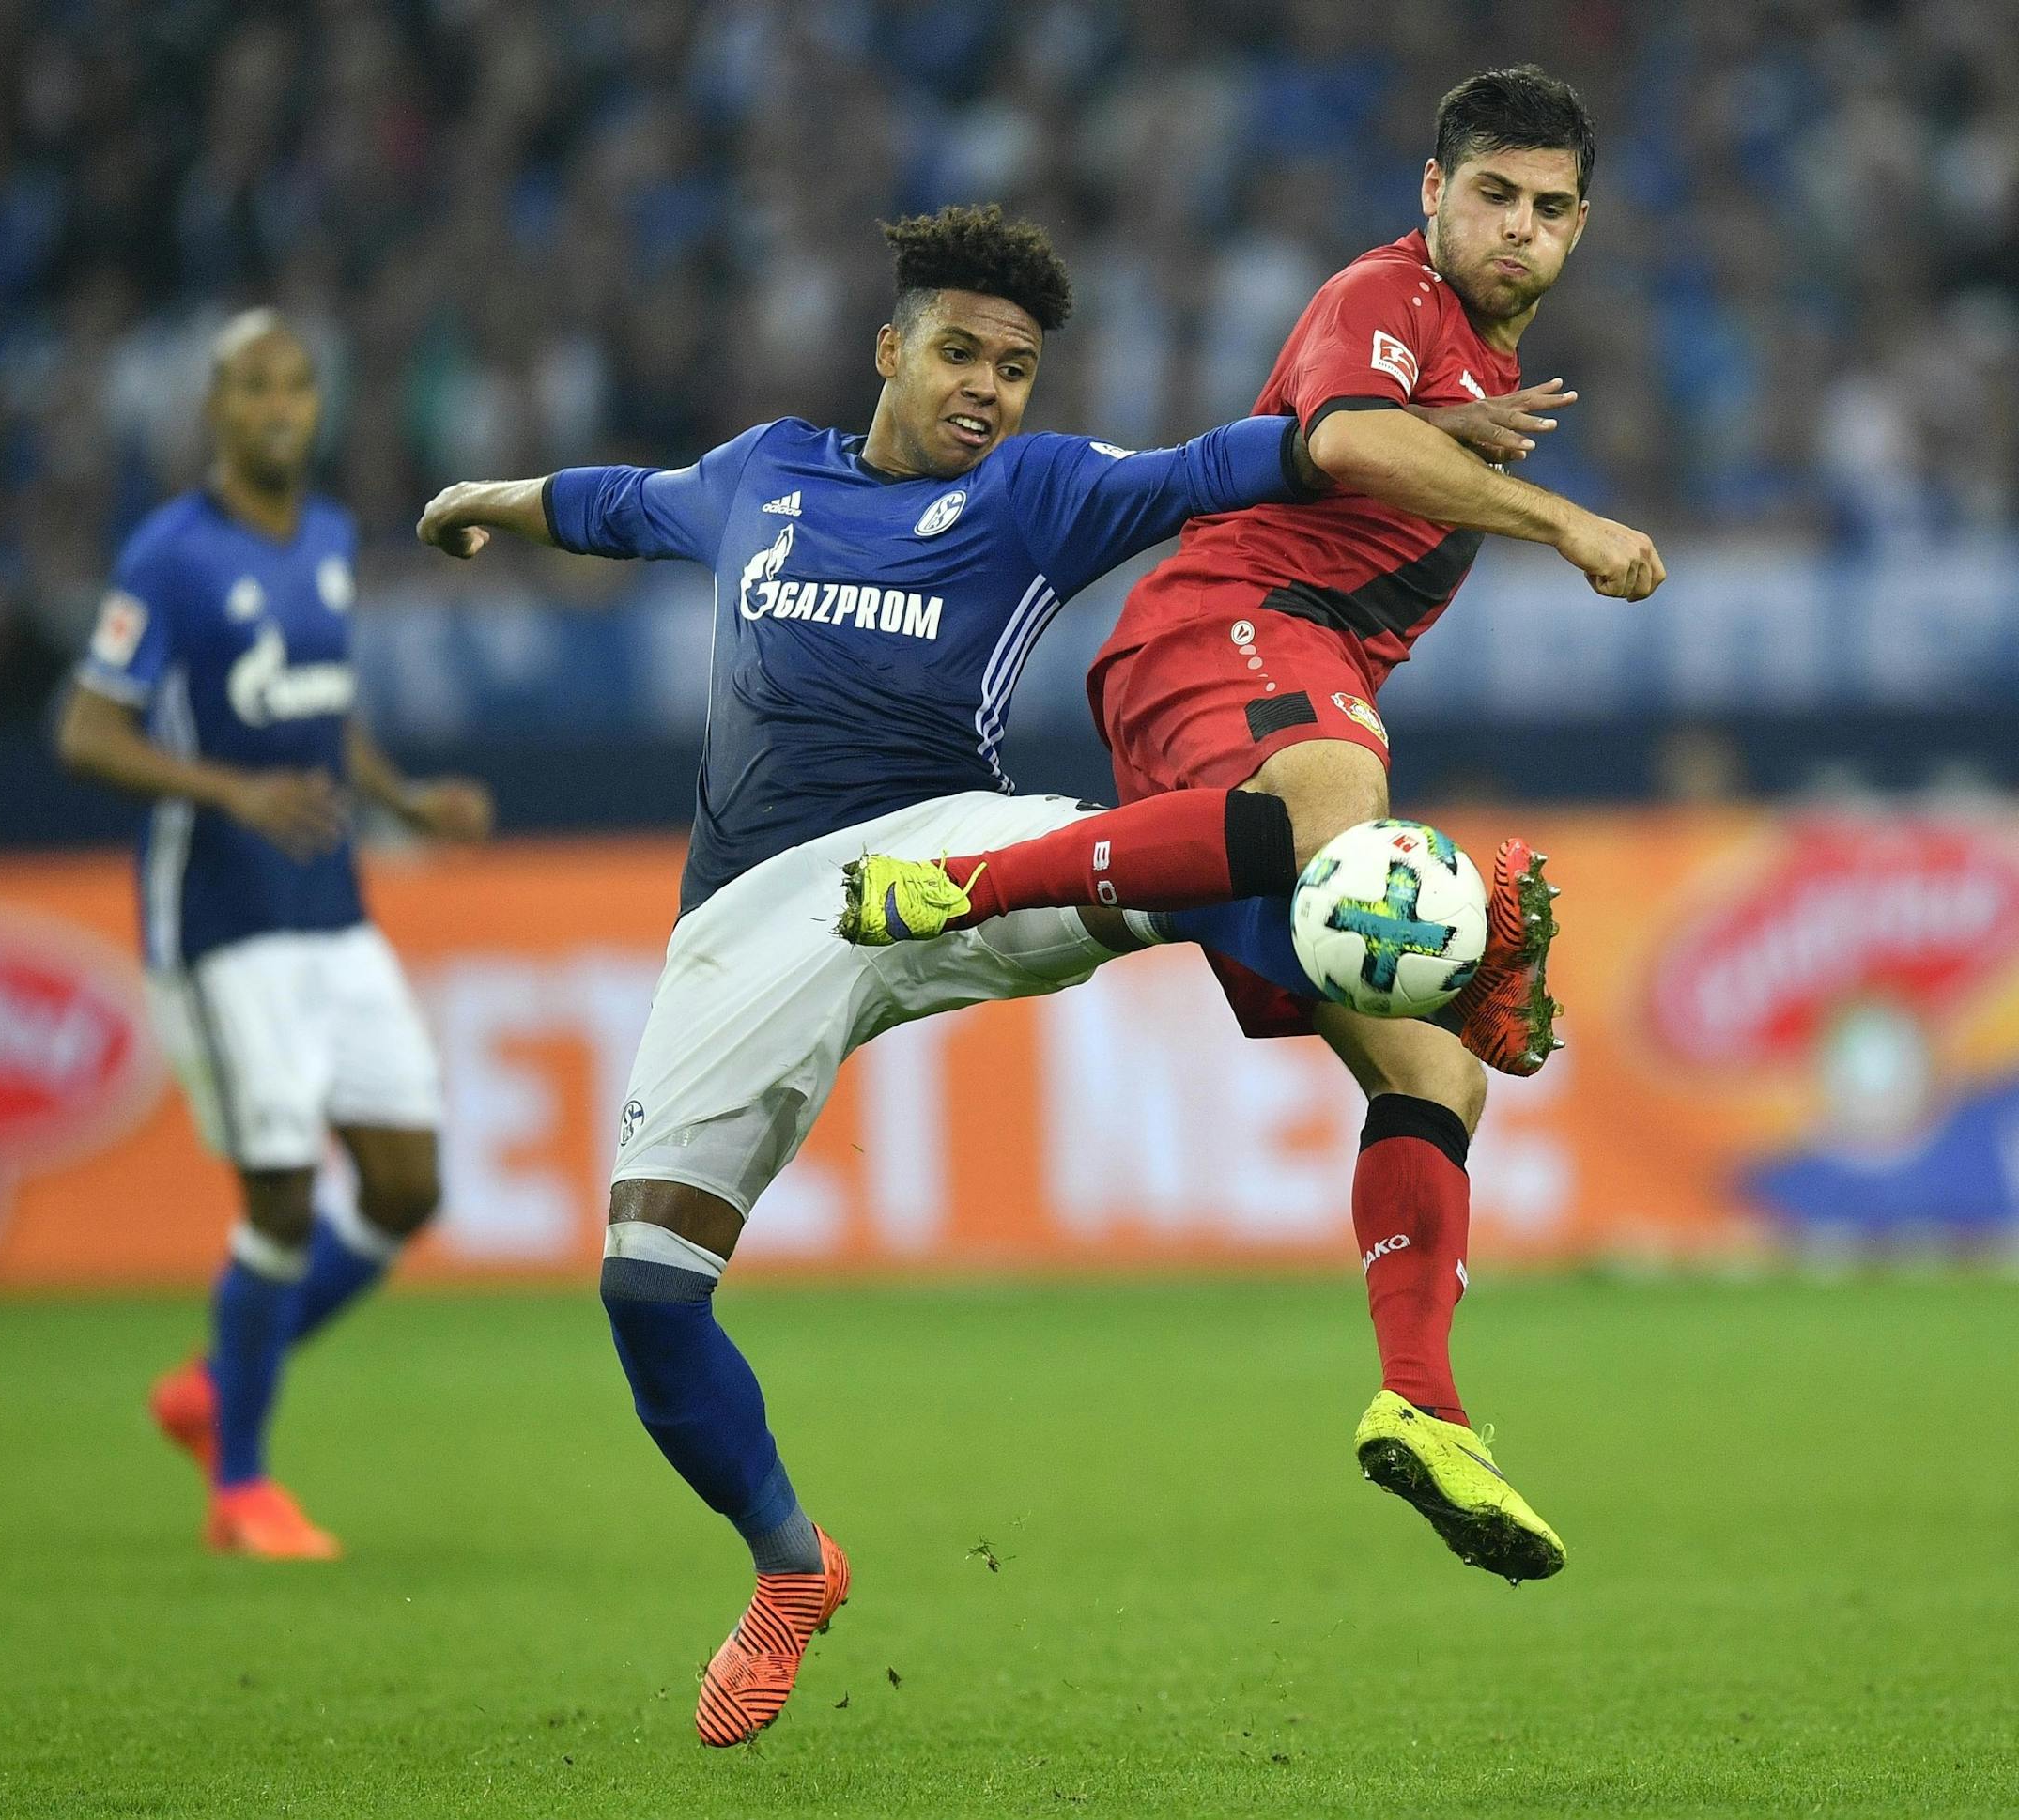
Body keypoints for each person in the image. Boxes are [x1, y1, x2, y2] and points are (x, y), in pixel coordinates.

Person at [415, 204, 1536, 1744]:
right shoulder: (761, 477)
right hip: (752, 923)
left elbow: (1236, 462)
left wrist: (1419, 434)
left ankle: (1427, 965)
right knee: (646, 1292)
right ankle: (791, 1565)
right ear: (889, 349)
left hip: (952, 845)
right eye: (960, 353)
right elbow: (620, 502)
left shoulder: (1037, 491)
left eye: (1015, 367)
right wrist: (491, 496)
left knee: (1243, 844)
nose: (987, 389)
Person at [845, 68, 1667, 1587]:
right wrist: (1568, 522)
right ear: (1434, 193)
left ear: (1581, 229)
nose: (1520, 229)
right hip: (1225, 623)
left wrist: (1475, 440)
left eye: (1552, 209)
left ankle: (1424, 1404)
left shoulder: (1474, 360)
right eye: (1494, 193)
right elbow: (1346, 441)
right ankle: (955, 882)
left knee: (1440, 1073)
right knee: (1335, 805)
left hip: (1288, 677)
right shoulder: (1385, 291)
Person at [56, 310, 493, 1561]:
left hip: (332, 909)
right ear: (214, 410)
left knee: (409, 1182)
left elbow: (323, 709)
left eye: (298, 384)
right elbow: (87, 732)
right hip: (223, 926)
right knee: (281, 1202)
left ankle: (212, 1382)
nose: (279, 407)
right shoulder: (169, 555)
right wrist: (228, 791)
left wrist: (403, 798)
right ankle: (240, 1486)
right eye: (253, 387)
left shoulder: (329, 538)